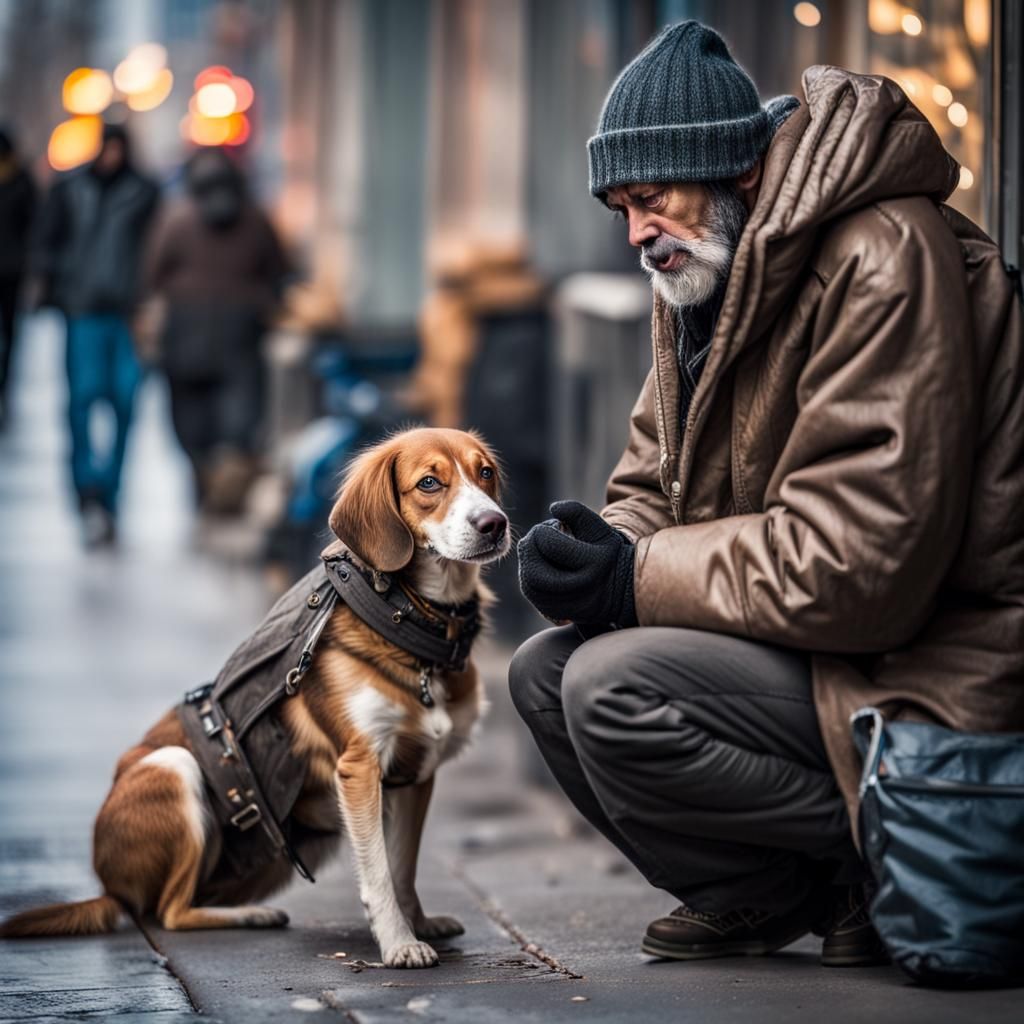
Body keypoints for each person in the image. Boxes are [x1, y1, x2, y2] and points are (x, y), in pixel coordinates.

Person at [510, 21, 1024, 968]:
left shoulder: (879, 256)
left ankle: (863, 868)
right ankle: (765, 895)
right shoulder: (710, 272)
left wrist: (636, 577)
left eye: (650, 198)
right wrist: (595, 553)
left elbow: (864, 568)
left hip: (920, 664)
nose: (637, 235)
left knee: (607, 685)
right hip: (813, 647)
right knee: (542, 673)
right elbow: (649, 488)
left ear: (731, 170)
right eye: (620, 208)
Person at [34, 123, 159, 544]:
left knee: (125, 404)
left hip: (126, 314)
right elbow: (48, 242)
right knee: (83, 403)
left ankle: (109, 494)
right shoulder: (70, 189)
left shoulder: (145, 193)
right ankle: (87, 490)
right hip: (82, 311)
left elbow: (155, 248)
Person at [145, 148, 286, 515]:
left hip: (186, 335)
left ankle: (205, 478)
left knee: (190, 420)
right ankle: (225, 486)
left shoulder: (177, 221)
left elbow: (153, 273)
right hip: (240, 335)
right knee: (237, 423)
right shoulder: (257, 221)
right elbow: (279, 272)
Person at [0, 125, 37, 429]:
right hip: (13, 267)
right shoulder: (22, 179)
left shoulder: (22, 182)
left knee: (10, 334)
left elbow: (33, 226)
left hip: (12, 271)